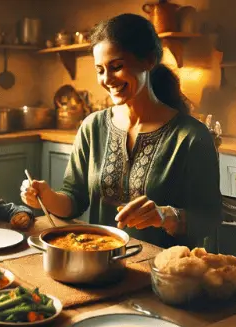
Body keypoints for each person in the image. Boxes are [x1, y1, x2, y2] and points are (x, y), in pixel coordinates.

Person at [20, 13, 221, 249]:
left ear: (149, 60)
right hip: (100, 262)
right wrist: (46, 196)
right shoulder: (92, 127)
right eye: (100, 70)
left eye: (116, 67)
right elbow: (74, 199)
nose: (107, 79)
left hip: (163, 272)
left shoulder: (190, 136)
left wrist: (166, 216)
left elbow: (210, 218)